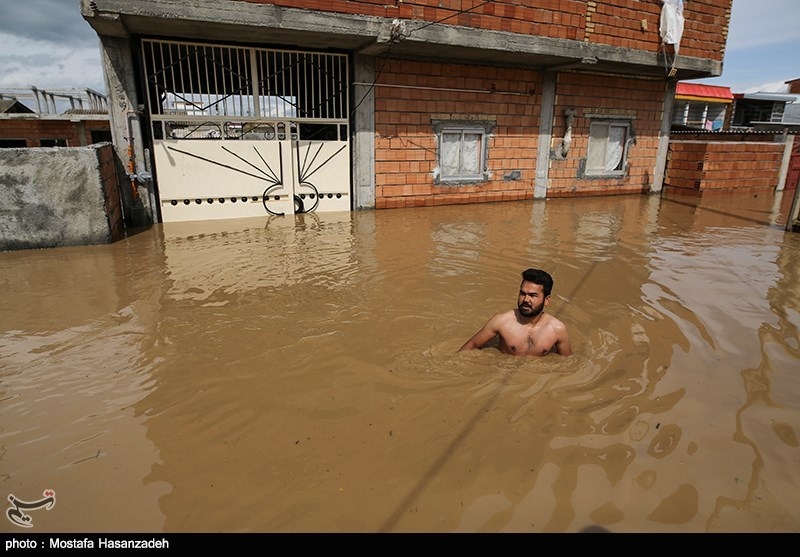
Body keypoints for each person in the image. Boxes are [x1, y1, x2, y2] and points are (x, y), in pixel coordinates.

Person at [459, 268, 572, 357]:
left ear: (546, 300)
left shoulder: (557, 329)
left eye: (533, 295)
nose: (526, 299)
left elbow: (568, 364)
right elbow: (471, 346)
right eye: (522, 294)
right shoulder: (502, 322)